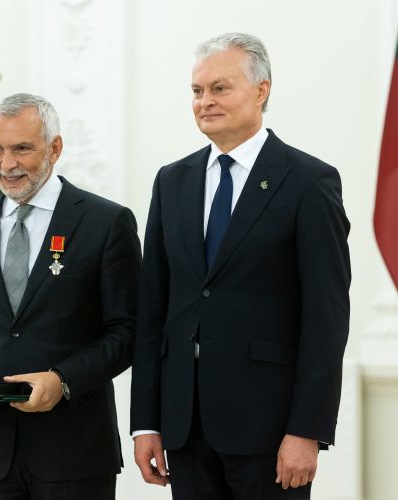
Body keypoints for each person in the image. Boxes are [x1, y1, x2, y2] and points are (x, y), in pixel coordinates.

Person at [130, 32, 351, 500]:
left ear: (261, 90)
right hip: (184, 428)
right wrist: (146, 422)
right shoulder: (172, 181)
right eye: (196, 91)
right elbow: (154, 310)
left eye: (219, 88)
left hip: (270, 433)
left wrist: (307, 430)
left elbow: (326, 320)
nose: (204, 102)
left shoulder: (309, 182)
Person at [0, 93, 141, 500]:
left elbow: (128, 332)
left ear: (55, 149)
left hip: (75, 453)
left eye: (22, 149)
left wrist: (62, 380)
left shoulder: (106, 222)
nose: (6, 163)